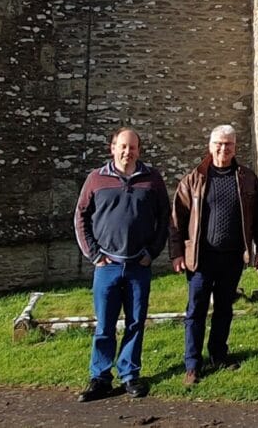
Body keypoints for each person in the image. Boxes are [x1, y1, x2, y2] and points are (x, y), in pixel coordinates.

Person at [73, 127, 170, 402]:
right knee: (104, 325)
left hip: (139, 264)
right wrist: (94, 255)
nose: (128, 152)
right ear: (113, 148)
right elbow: (81, 217)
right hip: (107, 265)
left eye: (133, 147)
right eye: (123, 147)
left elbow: (164, 217)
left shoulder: (152, 179)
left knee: (135, 322)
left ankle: (130, 375)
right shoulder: (96, 179)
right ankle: (100, 378)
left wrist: (152, 252)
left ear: (139, 150)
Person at [169, 124, 258, 385]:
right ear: (210, 146)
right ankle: (192, 364)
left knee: (224, 308)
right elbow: (177, 219)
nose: (223, 148)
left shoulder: (246, 178)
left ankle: (218, 355)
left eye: (228, 144)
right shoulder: (194, 179)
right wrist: (177, 253)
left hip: (232, 257)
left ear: (235, 147)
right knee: (196, 311)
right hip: (201, 258)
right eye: (219, 144)